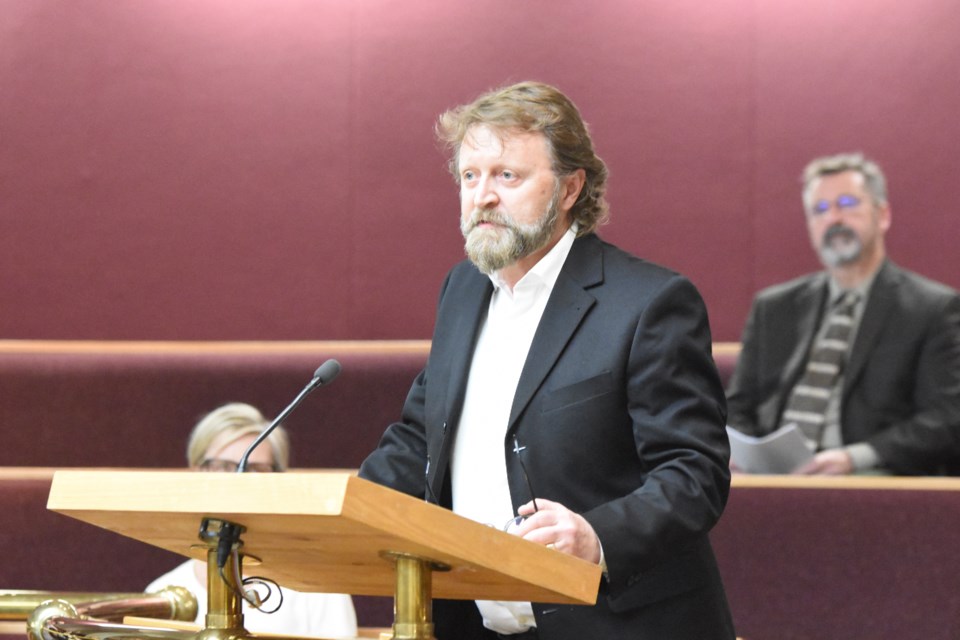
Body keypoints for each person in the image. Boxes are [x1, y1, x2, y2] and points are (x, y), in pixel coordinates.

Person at [358, 81, 734, 639]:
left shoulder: (649, 303)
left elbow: (693, 473)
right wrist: (333, 513)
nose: (482, 196)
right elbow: (420, 440)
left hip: (615, 623)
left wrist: (595, 535)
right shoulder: (463, 291)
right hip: (473, 620)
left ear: (568, 188)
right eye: (469, 176)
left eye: (507, 176)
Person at [726, 152, 960, 475]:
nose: (833, 218)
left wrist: (856, 457)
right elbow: (737, 406)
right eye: (820, 210)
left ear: (883, 215)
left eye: (847, 204)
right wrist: (745, 454)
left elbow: (947, 417)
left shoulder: (932, 309)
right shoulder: (773, 308)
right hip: (772, 480)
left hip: (870, 482)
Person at [146, 402, 358, 639]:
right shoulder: (163, 595)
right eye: (222, 467)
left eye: (254, 469)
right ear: (196, 473)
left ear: (277, 480)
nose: (238, 482)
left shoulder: (318, 591)